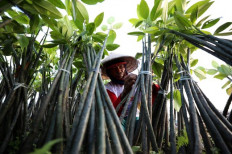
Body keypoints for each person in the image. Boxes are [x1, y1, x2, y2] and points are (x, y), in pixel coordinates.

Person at [101, 53, 160, 117]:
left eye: (121, 66)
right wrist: (125, 92)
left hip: (139, 118)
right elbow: (113, 111)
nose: (118, 71)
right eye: (114, 68)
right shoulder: (108, 88)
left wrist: (150, 85)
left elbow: (154, 97)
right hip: (120, 120)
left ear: (125, 67)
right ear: (109, 72)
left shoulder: (136, 80)